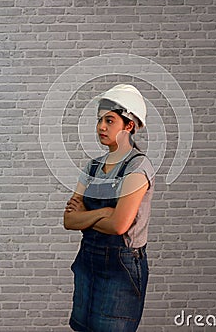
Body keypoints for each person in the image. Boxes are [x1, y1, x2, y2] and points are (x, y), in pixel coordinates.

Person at [64, 84, 155, 332]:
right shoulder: (92, 167)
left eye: (110, 120)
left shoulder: (138, 166)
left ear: (129, 125)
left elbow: (119, 225)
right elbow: (69, 221)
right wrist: (104, 212)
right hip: (87, 261)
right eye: (100, 120)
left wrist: (87, 215)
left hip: (121, 267)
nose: (101, 127)